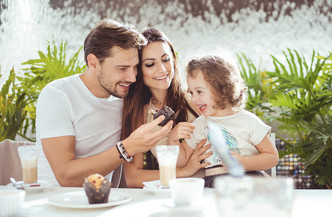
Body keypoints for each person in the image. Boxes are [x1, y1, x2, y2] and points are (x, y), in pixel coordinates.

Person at [36, 19, 174, 187]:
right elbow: (65, 176)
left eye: (135, 67)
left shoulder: (126, 98)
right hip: (53, 200)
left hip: (102, 201)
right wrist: (127, 148)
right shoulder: (58, 95)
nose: (132, 77)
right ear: (93, 63)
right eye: (122, 68)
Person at [121, 27, 211, 188]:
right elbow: (133, 177)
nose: (162, 70)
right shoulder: (138, 113)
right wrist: (185, 171)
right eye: (150, 64)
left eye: (166, 59)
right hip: (171, 191)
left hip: (210, 186)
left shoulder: (194, 99)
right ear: (138, 70)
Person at [179, 54, 279, 187]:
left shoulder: (248, 121)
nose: (193, 99)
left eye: (199, 91)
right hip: (215, 184)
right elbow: (182, 160)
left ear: (222, 88)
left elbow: (272, 157)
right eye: (191, 92)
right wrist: (173, 139)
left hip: (249, 180)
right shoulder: (200, 124)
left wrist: (244, 162)